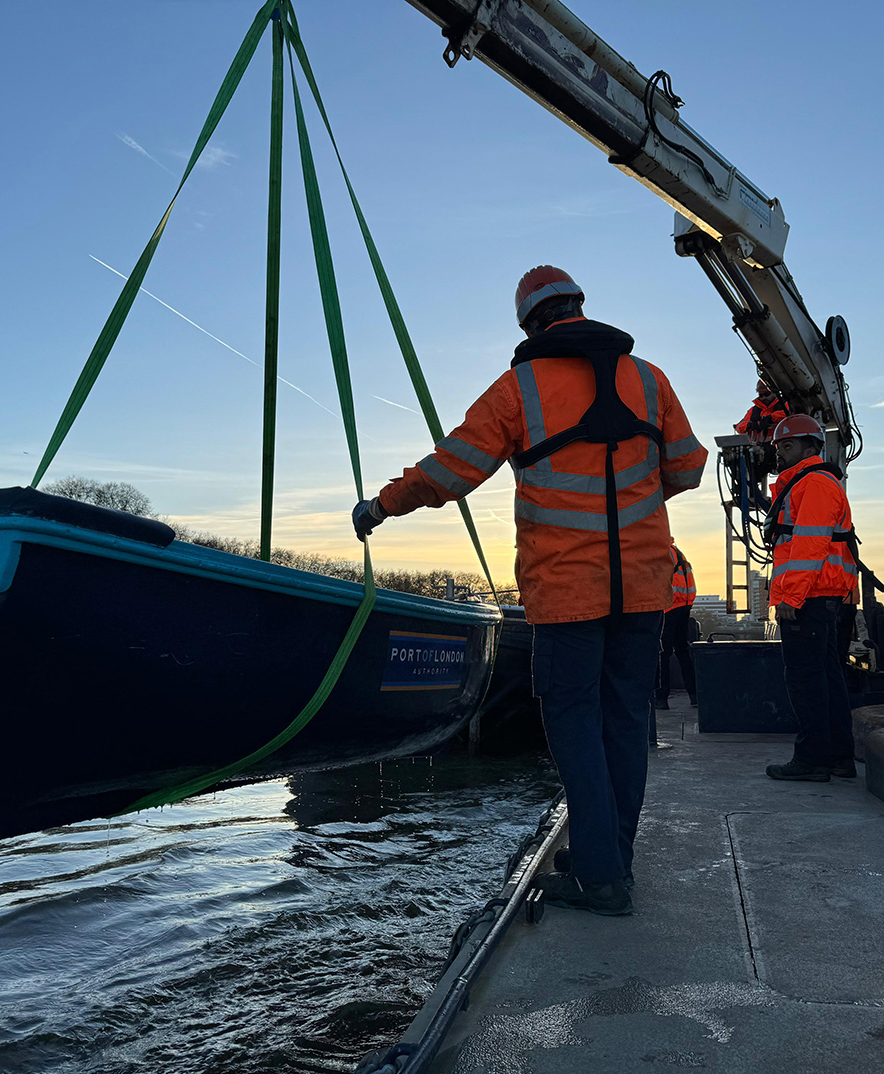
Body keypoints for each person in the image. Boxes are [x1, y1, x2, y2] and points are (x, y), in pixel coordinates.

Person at [351, 265, 708, 915]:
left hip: (568, 591)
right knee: (626, 721)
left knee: (573, 722)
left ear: (530, 323)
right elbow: (687, 465)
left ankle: (600, 877)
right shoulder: (650, 379)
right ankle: (611, 857)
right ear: (577, 306)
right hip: (646, 591)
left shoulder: (521, 388)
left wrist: (380, 506)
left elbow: (451, 469)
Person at [763, 414, 858, 781]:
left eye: (787, 445)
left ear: (810, 447)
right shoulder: (809, 483)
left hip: (810, 596)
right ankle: (838, 757)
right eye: (779, 447)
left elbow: (809, 546)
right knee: (827, 677)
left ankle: (812, 760)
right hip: (823, 595)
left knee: (806, 679)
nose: (780, 453)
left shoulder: (814, 483)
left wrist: (792, 597)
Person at [655, 540, 697, 709]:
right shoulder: (675, 551)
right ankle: (694, 695)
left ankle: (661, 698)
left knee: (663, 653)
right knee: (682, 651)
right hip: (684, 604)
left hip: (671, 605)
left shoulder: (661, 551)